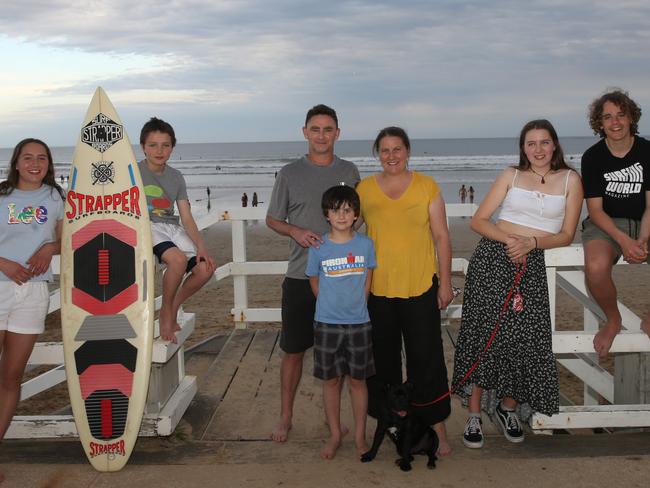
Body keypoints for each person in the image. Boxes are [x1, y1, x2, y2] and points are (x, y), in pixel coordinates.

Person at [452, 119, 583, 449]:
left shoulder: (571, 179)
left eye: (544, 142)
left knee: (525, 340)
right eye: (531, 143)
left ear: (555, 144)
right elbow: (480, 220)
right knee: (485, 334)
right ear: (523, 148)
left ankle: (508, 407)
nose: (538, 149)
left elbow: (567, 234)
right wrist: (514, 241)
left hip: (533, 262)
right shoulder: (510, 174)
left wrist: (531, 245)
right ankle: (473, 415)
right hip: (494, 258)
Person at [357, 126, 454, 456]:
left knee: (425, 360)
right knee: (382, 363)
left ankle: (437, 427)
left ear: (408, 151)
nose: (391, 155)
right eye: (384, 150)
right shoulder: (366, 189)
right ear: (377, 154)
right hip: (378, 291)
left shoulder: (427, 186)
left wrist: (445, 282)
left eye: (397, 149)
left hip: (420, 287)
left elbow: (441, 236)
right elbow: (346, 228)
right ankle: (390, 425)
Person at [266, 104, 360, 443]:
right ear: (305, 132)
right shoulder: (289, 173)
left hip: (342, 277)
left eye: (328, 129)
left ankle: (331, 420)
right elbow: (273, 219)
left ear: (338, 133)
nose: (322, 135)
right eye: (315, 129)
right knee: (293, 350)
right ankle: (286, 416)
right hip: (299, 275)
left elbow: (358, 216)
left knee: (339, 354)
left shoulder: (350, 171)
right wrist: (295, 231)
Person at [0, 139, 64, 483]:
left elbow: (68, 234)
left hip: (35, 293)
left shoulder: (55, 197)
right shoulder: (1, 195)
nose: (35, 163)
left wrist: (51, 246)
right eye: (28, 157)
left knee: (10, 378)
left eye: (42, 158)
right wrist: (4, 263)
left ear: (49, 163)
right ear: (17, 162)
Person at [305, 185, 376, 460]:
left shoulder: (365, 244)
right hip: (326, 323)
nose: (342, 215)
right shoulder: (319, 246)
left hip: (359, 323)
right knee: (331, 381)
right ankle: (335, 433)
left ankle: (360, 435)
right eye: (336, 210)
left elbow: (369, 276)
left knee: (358, 382)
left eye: (347, 210)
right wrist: (326, 303)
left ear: (356, 214)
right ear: (327, 214)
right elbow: (313, 278)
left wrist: (361, 301)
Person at [581, 89, 650, 357]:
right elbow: (595, 211)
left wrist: (642, 240)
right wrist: (625, 241)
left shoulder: (647, 151)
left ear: (632, 117)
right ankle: (613, 320)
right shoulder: (593, 157)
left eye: (621, 115)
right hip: (607, 223)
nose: (616, 122)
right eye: (608, 117)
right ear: (599, 123)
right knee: (595, 267)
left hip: (645, 220)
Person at [138, 117, 216, 344]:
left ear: (172, 146)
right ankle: (165, 314)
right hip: (147, 226)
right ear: (143, 146)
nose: (159, 150)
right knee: (178, 261)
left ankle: (172, 305)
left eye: (165, 145)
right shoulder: (132, 172)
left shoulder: (176, 177)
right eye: (153, 145)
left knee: (205, 269)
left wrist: (202, 247)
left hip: (172, 227)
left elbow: (186, 216)